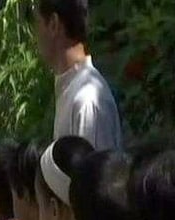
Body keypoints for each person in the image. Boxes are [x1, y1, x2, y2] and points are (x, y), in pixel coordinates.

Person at [32, 0, 122, 149]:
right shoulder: (71, 88)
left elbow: (97, 170)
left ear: (54, 24)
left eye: (37, 23)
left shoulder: (87, 100)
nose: (35, 35)